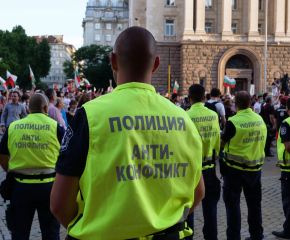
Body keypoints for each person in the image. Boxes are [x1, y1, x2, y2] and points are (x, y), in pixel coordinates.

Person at [50, 26, 205, 240]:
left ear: (113, 60)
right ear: (156, 64)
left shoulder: (89, 116)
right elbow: (198, 193)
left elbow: (59, 204)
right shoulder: (184, 118)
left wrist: (94, 228)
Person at [0, 93, 65, 239]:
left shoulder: (13, 127)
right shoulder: (57, 127)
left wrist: (11, 171)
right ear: (46, 108)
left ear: (28, 108)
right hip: (49, 187)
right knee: (51, 234)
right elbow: (68, 157)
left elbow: (2, 156)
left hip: (20, 187)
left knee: (19, 234)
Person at [220, 91, 267, 240]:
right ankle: (257, 235)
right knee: (255, 205)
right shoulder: (259, 119)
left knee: (233, 205)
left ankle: (234, 237)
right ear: (250, 104)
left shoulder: (233, 121)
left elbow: (221, 143)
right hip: (255, 170)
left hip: (235, 170)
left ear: (236, 104)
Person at [186, 84, 220, 240]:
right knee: (210, 209)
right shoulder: (213, 115)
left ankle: (189, 237)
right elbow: (217, 142)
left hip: (191, 171)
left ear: (189, 98)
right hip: (210, 169)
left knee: (188, 209)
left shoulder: (185, 115)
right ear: (204, 98)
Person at [273, 98, 290, 239]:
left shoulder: (287, 123)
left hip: (289, 170)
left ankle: (288, 230)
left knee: (288, 201)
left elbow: (288, 146)